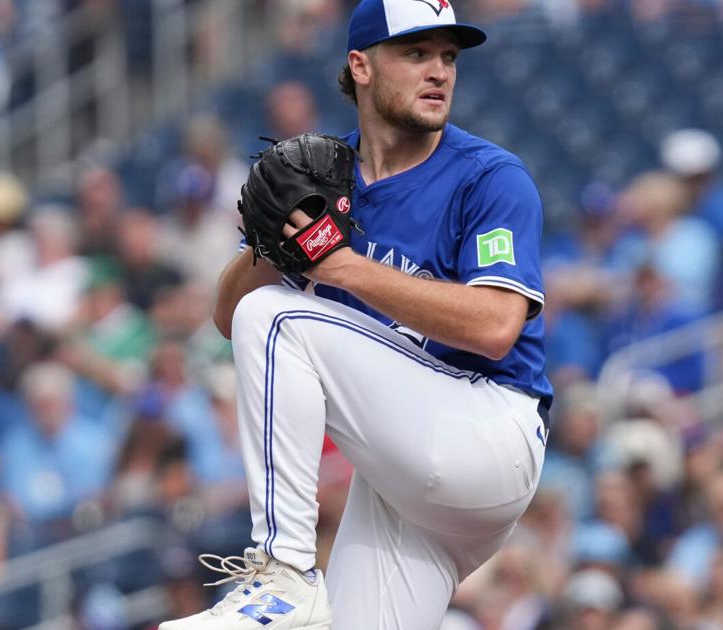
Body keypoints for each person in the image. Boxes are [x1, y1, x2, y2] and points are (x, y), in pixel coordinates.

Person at [160, 1, 552, 628]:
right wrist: (270, 238)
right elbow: (228, 316)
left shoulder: (489, 177)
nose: (439, 71)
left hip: (486, 435)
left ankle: (284, 571)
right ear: (361, 66)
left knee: (276, 316)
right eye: (416, 52)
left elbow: (496, 327)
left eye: (448, 56)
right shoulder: (319, 173)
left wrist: (340, 265)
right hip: (401, 478)